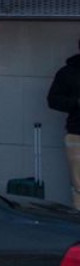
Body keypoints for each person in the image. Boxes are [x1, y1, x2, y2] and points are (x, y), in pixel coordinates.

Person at [50, 38, 80, 208]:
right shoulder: (69, 72)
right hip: (77, 134)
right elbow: (53, 99)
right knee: (79, 186)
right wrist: (76, 103)